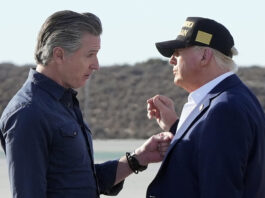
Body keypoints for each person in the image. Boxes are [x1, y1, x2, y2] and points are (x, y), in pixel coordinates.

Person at [0, 10, 173, 198]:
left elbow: (80, 183)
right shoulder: (28, 113)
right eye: (90, 54)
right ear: (59, 55)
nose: (96, 64)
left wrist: (138, 158)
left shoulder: (62, 103)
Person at [146, 17, 265, 198]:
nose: (171, 60)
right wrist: (176, 128)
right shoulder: (230, 99)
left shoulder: (225, 109)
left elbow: (221, 189)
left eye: (178, 52)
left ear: (204, 56)